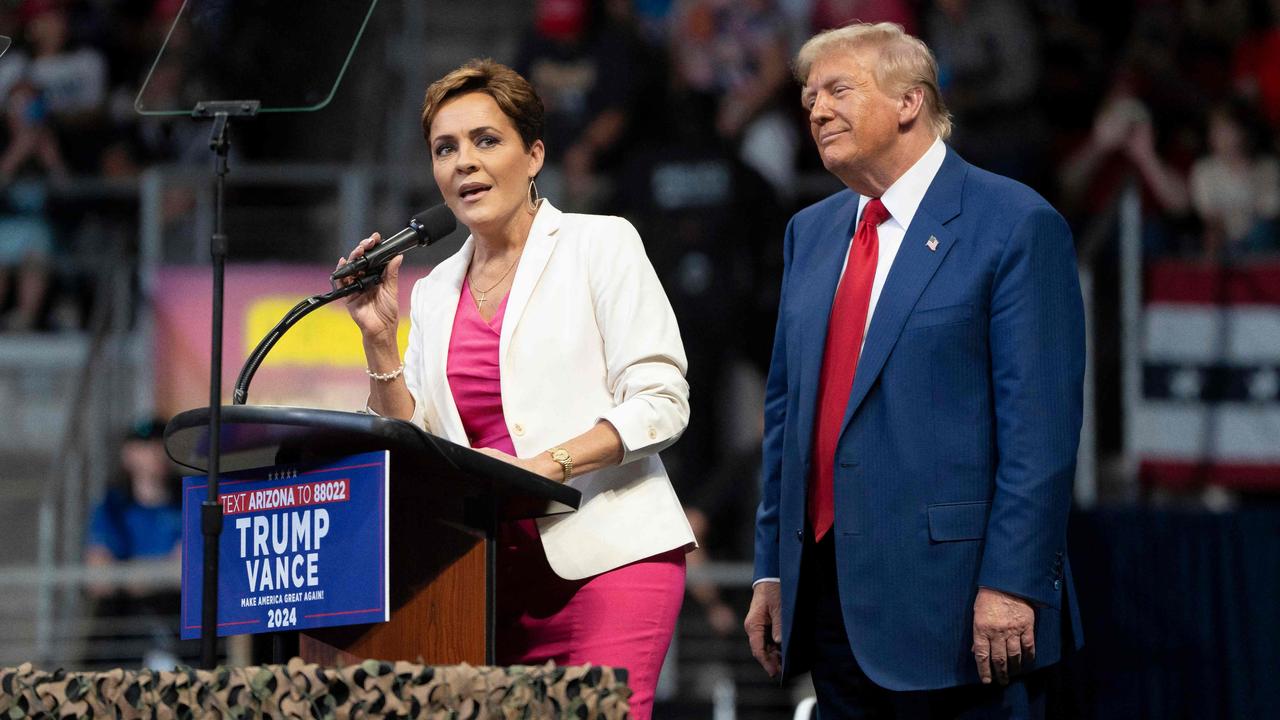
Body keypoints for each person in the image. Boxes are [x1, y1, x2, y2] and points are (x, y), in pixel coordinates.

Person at [743, 23, 1085, 718]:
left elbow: (1040, 432)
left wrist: (1014, 584)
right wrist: (773, 570)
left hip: (963, 611)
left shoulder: (1015, 223)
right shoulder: (808, 232)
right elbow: (787, 417)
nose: (815, 110)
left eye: (839, 90)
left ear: (909, 102)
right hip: (834, 607)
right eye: (809, 97)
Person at [337, 59, 693, 720]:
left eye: (485, 140)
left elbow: (661, 402)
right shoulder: (437, 289)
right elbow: (418, 445)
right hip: (488, 581)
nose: (464, 162)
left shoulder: (601, 244)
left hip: (608, 558)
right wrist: (378, 339)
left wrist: (539, 470)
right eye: (446, 149)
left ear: (534, 155)